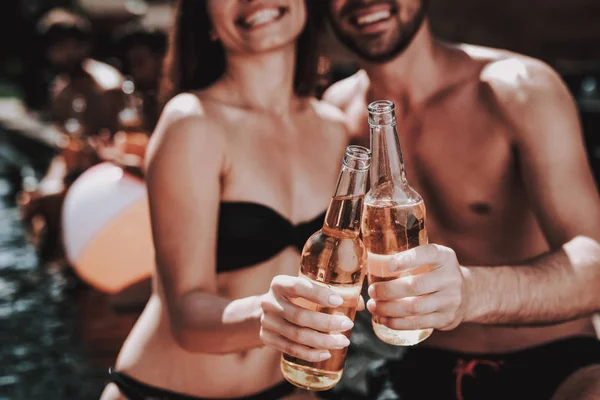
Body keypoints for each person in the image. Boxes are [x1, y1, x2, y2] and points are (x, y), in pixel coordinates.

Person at [259, 0, 600, 399]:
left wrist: (473, 293)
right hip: (415, 366)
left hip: (554, 360)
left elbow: (595, 263)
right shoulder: (336, 114)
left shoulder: (519, 87)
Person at [100, 1, 354, 399]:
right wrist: (267, 316)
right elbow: (184, 315)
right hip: (163, 391)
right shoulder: (193, 121)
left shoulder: (336, 129)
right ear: (207, 21)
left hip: (285, 389)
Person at [18, 8, 125, 262]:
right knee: (31, 199)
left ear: (84, 45)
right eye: (56, 48)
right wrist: (44, 186)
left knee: (52, 200)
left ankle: (69, 261)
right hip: (74, 166)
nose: (62, 54)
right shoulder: (61, 88)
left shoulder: (106, 85)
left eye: (68, 46)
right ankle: (57, 266)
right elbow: (64, 146)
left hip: (106, 168)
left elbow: (122, 141)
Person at [114, 23, 167, 132]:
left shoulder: (174, 99)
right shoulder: (133, 96)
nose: (135, 71)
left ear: (160, 61)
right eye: (131, 64)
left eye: (139, 63)